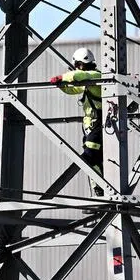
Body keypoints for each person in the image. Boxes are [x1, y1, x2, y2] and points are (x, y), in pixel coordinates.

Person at [51, 47, 104, 196]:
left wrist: (62, 77)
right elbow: (74, 89)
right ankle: (98, 190)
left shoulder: (95, 76)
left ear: (80, 63)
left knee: (90, 157)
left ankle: (102, 188)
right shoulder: (88, 80)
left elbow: (78, 76)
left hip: (99, 125)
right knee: (94, 160)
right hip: (90, 126)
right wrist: (61, 86)